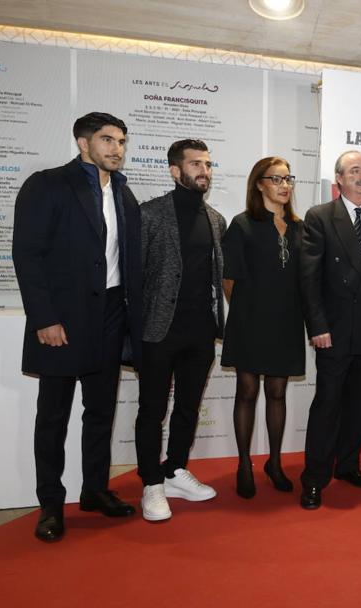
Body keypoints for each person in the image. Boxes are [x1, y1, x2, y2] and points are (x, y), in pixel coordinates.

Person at [13, 111, 143, 542]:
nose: (116, 149)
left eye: (121, 141)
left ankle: (95, 491)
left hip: (110, 314)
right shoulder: (48, 184)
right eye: (107, 140)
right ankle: (50, 504)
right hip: (63, 318)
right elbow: (27, 255)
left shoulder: (124, 195)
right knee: (52, 416)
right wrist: (45, 318)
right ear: (83, 142)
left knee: (101, 413)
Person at [298, 151, 361, 509]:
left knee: (359, 404)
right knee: (327, 405)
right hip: (333, 331)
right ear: (338, 179)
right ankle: (314, 478)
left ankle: (349, 465)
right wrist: (318, 325)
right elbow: (308, 279)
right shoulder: (320, 217)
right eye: (355, 171)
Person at [134, 139, 226, 522]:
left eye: (207, 164)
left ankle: (174, 469)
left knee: (188, 407)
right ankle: (151, 483)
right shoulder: (149, 215)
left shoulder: (216, 220)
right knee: (152, 409)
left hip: (201, 332)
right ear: (175, 171)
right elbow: (132, 278)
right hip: (158, 330)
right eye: (195, 164)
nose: (203, 170)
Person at [221, 156, 306, 498]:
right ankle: (244, 464)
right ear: (259, 184)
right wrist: (248, 312)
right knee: (247, 392)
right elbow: (229, 280)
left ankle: (274, 462)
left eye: (288, 179)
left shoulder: (301, 228)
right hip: (250, 322)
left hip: (287, 322)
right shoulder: (242, 224)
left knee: (277, 393)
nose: (284, 186)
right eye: (276, 179)